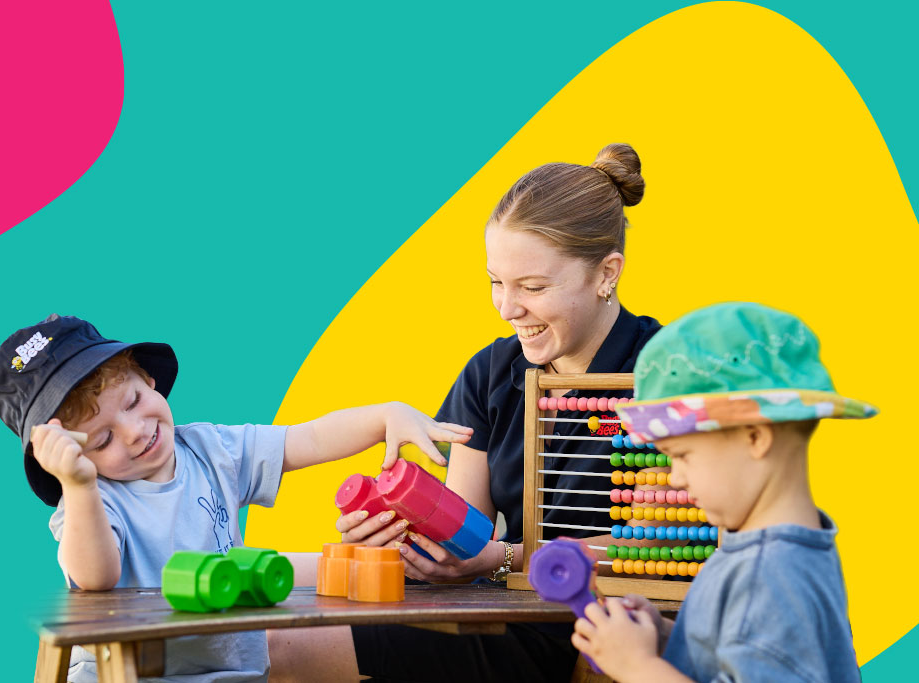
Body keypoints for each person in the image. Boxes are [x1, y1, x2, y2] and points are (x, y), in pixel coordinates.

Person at [268, 143, 664, 682]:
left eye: (533, 287)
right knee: (270, 606)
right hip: (486, 604)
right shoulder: (491, 373)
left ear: (606, 273)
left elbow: (655, 542)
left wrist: (502, 558)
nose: (507, 308)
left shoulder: (667, 376)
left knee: (283, 646)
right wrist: (403, 538)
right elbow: (462, 531)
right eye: (496, 282)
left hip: (591, 621)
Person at [0, 314, 472, 683]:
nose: (135, 433)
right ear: (71, 458)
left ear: (147, 379)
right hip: (132, 675)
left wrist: (385, 416)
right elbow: (95, 578)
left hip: (232, 671)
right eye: (101, 440)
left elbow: (308, 440)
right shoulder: (91, 502)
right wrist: (79, 484)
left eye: (133, 402)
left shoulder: (209, 449)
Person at [572, 302, 875, 682]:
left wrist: (638, 667)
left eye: (682, 456)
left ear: (754, 437)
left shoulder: (770, 577)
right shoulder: (769, 550)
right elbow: (737, 657)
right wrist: (665, 638)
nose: (675, 478)